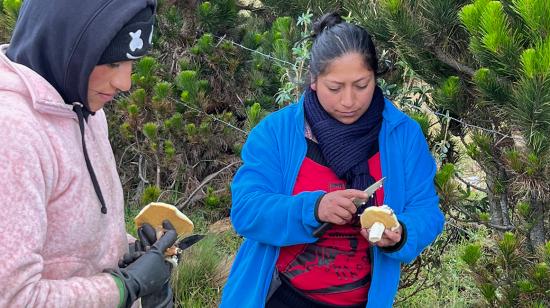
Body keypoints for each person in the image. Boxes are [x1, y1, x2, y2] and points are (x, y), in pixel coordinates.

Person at [220, 12, 445, 308]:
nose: (349, 101)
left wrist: (401, 234)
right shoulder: (277, 132)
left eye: (362, 85)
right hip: (279, 295)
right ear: (313, 80)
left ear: (376, 77)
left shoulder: (401, 135)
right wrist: (314, 208)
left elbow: (426, 210)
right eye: (335, 88)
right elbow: (247, 210)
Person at [0, 0, 178, 307]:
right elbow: (13, 297)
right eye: (112, 63)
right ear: (66, 43)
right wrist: (126, 286)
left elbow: (67, 241)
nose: (125, 82)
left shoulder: (83, 108)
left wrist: (131, 250)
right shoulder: (13, 135)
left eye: (131, 63)